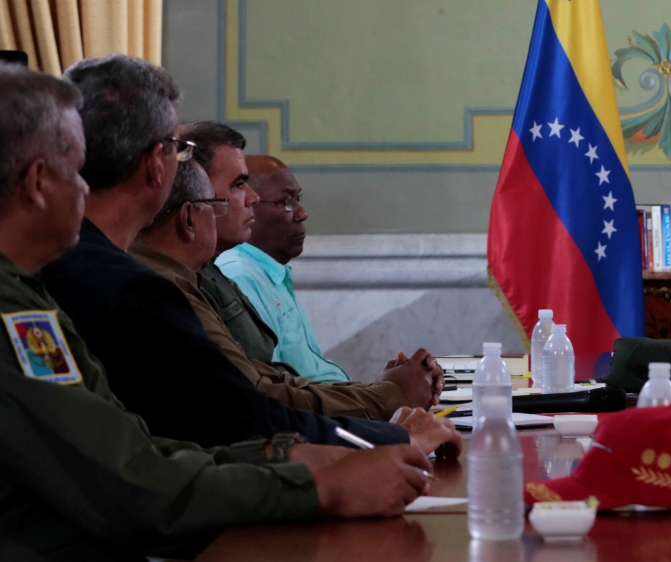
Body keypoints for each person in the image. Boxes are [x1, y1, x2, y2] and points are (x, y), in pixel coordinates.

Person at [0, 62, 437, 561]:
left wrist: (282, 456)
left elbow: (136, 445)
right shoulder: (31, 306)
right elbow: (130, 483)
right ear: (37, 182)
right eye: (74, 169)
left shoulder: (33, 287)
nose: (85, 188)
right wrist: (319, 487)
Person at [40, 54, 458, 454]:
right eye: (176, 147)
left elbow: (261, 385)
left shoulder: (63, 266)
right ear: (156, 166)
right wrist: (392, 434)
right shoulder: (138, 288)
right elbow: (245, 413)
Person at [130, 159, 450, 424]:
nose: (250, 200)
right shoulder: (168, 287)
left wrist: (380, 391)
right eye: (232, 192)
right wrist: (387, 397)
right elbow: (256, 397)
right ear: (188, 218)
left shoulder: (185, 278)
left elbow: (269, 375)